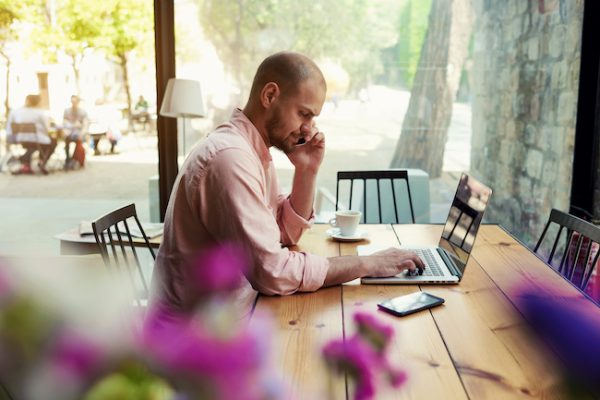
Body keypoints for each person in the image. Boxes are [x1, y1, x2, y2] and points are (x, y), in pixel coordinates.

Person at [151, 52, 424, 313]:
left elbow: (283, 232)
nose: (309, 128)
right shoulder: (231, 159)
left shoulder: (251, 151)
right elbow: (272, 272)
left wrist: (306, 171)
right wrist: (368, 263)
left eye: (312, 118)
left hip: (237, 317)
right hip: (195, 345)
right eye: (304, 114)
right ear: (270, 95)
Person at [6, 94, 56, 175]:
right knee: (52, 141)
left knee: (34, 145)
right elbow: (47, 129)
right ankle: (42, 161)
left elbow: (10, 127)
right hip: (37, 140)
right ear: (37, 103)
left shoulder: (16, 112)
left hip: (20, 139)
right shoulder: (40, 113)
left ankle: (25, 162)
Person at [62, 95, 89, 169]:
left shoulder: (83, 112)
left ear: (78, 102)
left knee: (78, 139)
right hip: (69, 133)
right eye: (72, 102)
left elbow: (85, 125)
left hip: (79, 134)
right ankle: (68, 159)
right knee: (66, 139)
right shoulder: (67, 111)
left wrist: (82, 133)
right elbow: (64, 122)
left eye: (75, 102)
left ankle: (74, 159)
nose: (73, 103)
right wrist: (66, 131)